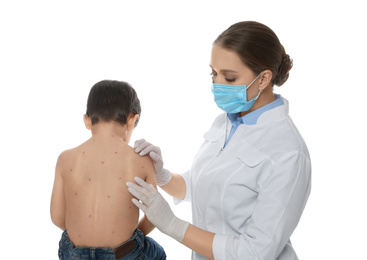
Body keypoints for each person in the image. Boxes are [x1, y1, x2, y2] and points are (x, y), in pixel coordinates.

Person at [126, 21, 311, 260]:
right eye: (213, 73)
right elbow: (202, 186)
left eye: (230, 78)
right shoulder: (225, 122)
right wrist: (163, 175)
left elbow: (255, 252)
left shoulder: (288, 152)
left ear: (264, 79)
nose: (217, 84)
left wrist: (173, 225)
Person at [50, 80, 166, 260]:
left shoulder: (65, 158)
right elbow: (155, 216)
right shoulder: (141, 160)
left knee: (67, 242)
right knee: (157, 253)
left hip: (74, 254)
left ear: (87, 121)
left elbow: (57, 217)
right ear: (131, 120)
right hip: (123, 253)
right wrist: (131, 236)